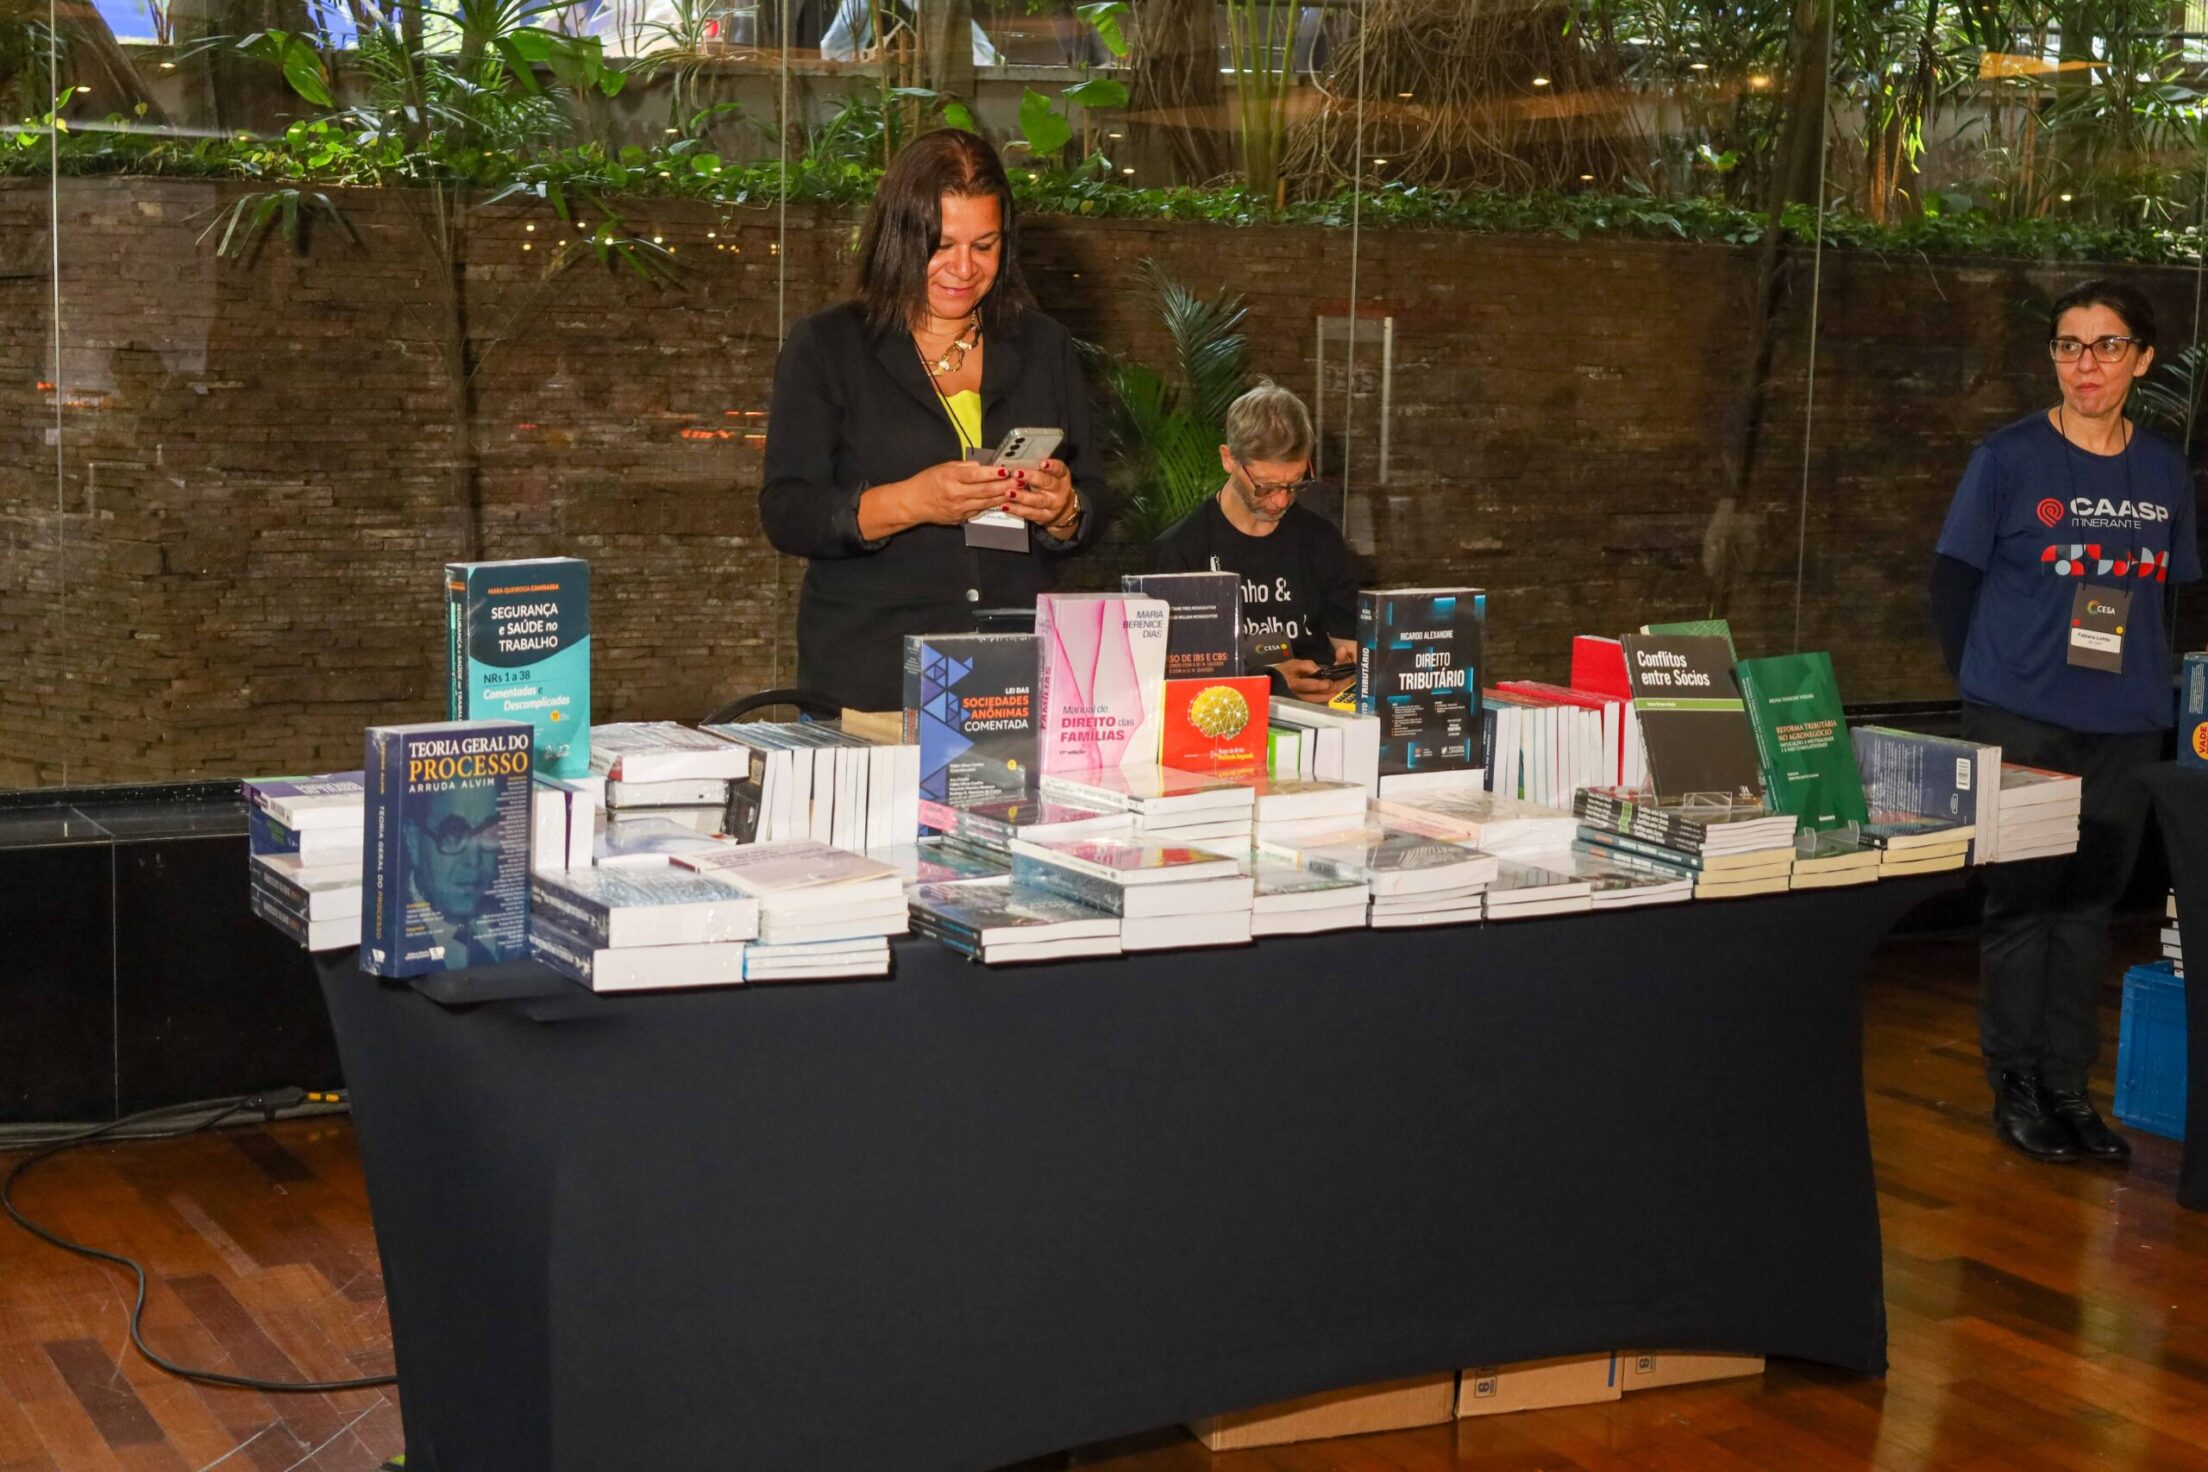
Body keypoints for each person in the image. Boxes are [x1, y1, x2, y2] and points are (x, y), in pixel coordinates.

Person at [1932, 277, 2201, 1165]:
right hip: (2022, 717)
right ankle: (2015, 1085)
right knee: (2023, 906)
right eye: (2069, 346)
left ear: (2142, 360)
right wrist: (1990, 687)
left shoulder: (2163, 471)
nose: (2087, 364)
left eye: (2107, 345)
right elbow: (1952, 584)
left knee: (2089, 909)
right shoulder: (2007, 459)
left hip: (2124, 722)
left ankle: (2067, 1089)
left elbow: (2170, 597)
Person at [761, 129, 1097, 712]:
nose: (963, 268)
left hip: (1010, 678)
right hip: (872, 681)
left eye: (985, 245)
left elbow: (1093, 492)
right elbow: (787, 512)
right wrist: (911, 502)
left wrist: (1064, 511)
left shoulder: (1045, 346)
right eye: (940, 245)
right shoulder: (828, 346)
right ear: (898, 236)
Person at [1151, 380, 1359, 702]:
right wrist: (1272, 683)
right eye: (1265, 487)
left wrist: (1350, 672)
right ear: (1228, 459)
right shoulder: (1181, 551)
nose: (1280, 501)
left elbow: (1349, 642)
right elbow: (1175, 682)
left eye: (1294, 485)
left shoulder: (1321, 540)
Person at [401, 779, 507, 971]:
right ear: (414, 841)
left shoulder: (519, 919)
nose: (474, 860)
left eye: (489, 833)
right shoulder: (387, 938)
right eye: (454, 833)